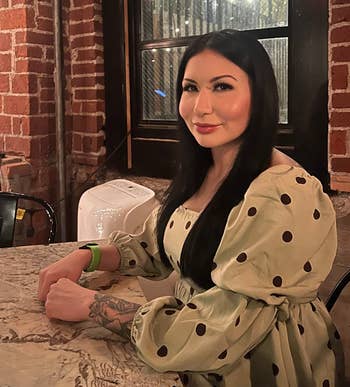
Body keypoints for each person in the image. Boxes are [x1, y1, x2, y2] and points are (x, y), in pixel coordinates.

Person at [38, 29, 344, 386]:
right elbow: (154, 244)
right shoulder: (205, 168)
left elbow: (220, 331)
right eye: (190, 87)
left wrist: (95, 306)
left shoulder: (283, 192)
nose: (200, 107)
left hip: (254, 363)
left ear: (259, 97)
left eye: (222, 86)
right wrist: (86, 256)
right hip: (190, 351)